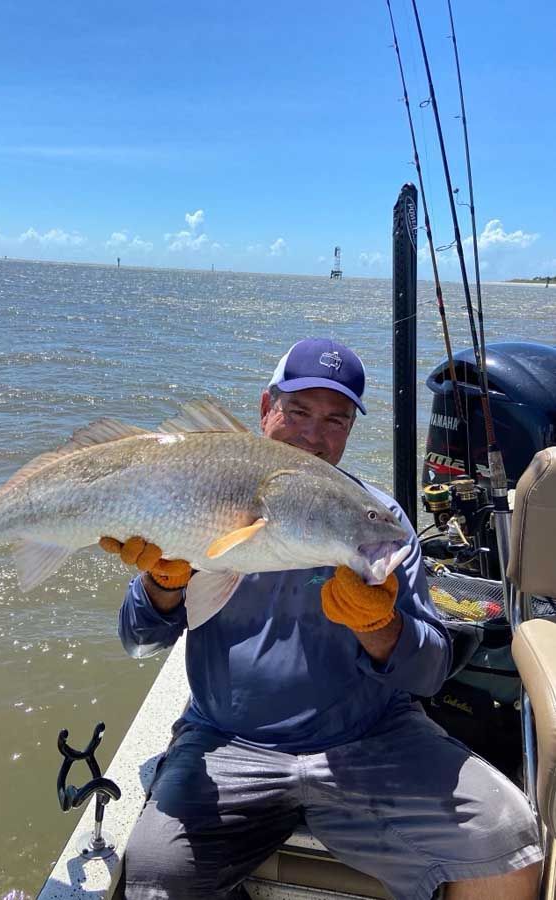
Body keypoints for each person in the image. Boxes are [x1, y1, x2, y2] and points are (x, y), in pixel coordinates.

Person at [104, 338, 542, 900]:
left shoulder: (377, 520)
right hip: (229, 741)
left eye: (335, 419)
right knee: (154, 875)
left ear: (351, 431)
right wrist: (162, 587)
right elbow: (137, 641)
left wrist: (379, 628)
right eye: (299, 412)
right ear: (266, 409)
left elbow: (429, 672)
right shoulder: (197, 495)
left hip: (369, 739)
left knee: (508, 838)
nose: (314, 435)